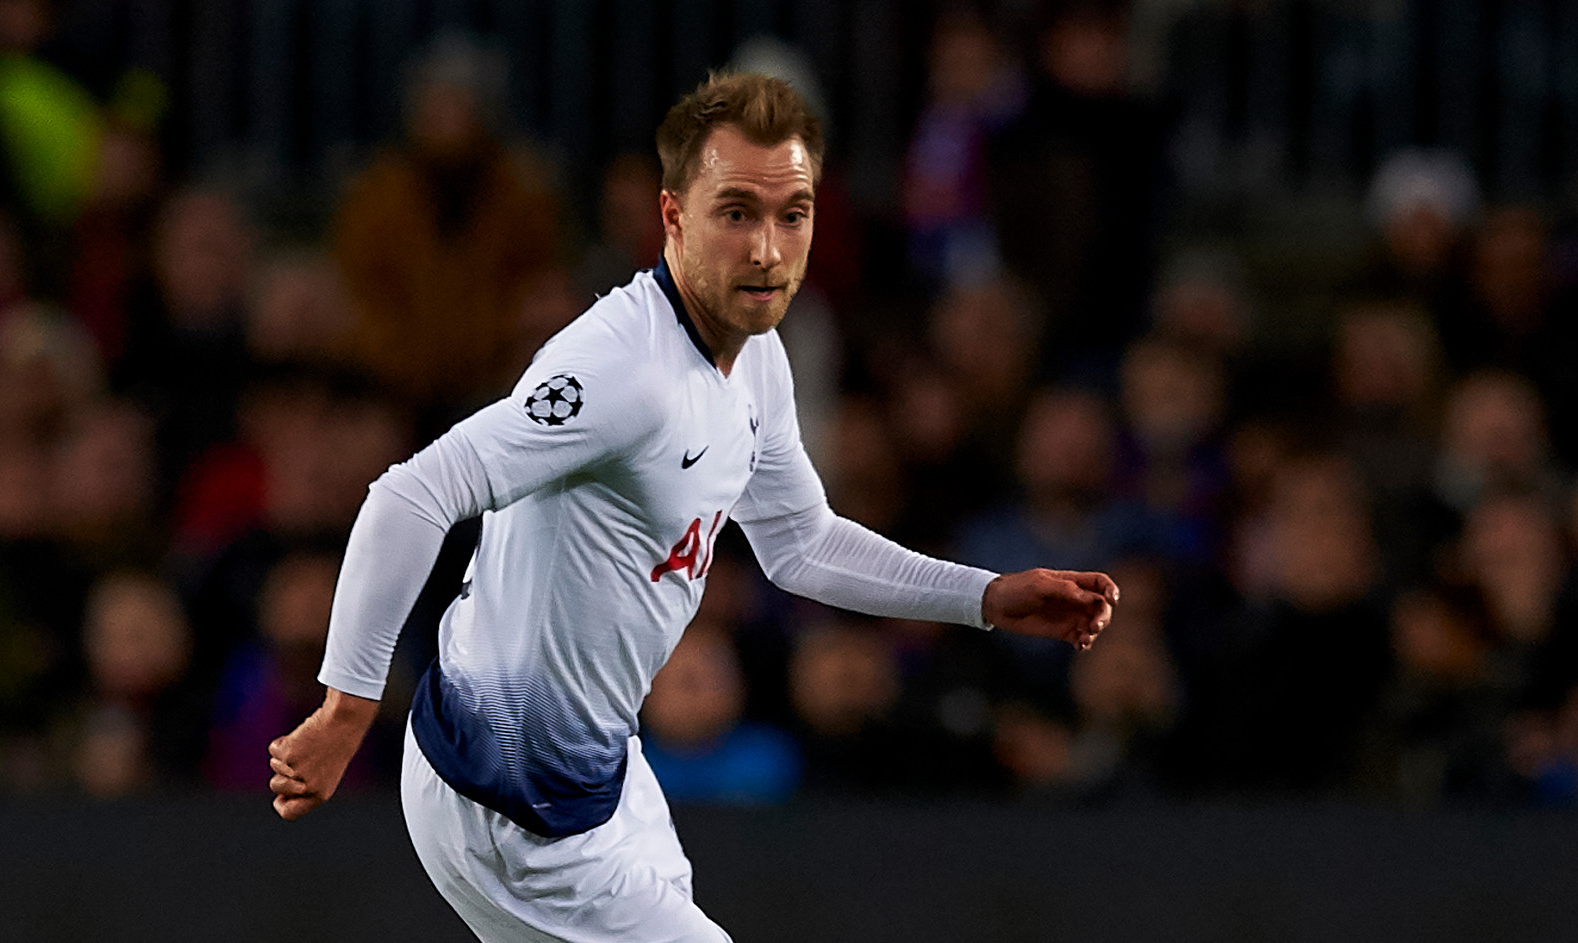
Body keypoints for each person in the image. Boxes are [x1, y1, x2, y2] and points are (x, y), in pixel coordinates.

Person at [262, 73, 1119, 943]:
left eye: (792, 214)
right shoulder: (620, 368)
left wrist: (984, 596)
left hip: (600, 778)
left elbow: (802, 543)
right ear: (673, 216)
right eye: (737, 212)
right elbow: (410, 494)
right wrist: (346, 710)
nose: (768, 249)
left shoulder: (758, 356)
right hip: (503, 802)